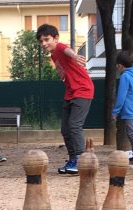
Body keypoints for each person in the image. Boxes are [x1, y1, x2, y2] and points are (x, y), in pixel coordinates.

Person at [36, 24, 94, 175]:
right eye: (41, 41)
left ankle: (82, 162)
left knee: (74, 125)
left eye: (47, 39)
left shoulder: (60, 48)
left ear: (55, 39)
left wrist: (75, 56)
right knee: (65, 129)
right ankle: (73, 159)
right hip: (70, 92)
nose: (44, 44)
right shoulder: (54, 55)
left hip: (83, 90)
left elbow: (67, 50)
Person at [112, 50, 133, 166]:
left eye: (117, 66)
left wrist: (115, 111)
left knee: (132, 133)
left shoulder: (125, 76)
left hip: (129, 108)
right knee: (131, 132)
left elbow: (121, 96)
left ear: (120, 66)